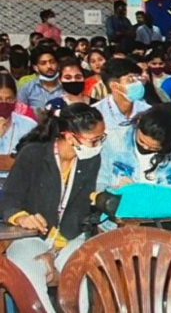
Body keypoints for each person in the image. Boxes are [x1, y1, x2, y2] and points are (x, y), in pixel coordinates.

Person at [96, 104, 171, 313]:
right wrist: (117, 189)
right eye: (141, 141)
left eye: (153, 148)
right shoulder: (113, 140)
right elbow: (98, 187)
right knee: (144, 264)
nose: (145, 147)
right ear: (137, 126)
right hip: (124, 222)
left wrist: (166, 197)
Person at [0, 104, 105, 313]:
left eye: (101, 138)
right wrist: (21, 218)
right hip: (30, 236)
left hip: (69, 235)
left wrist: (55, 250)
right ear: (69, 137)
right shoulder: (33, 154)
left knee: (77, 270)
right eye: (93, 140)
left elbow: (80, 208)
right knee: (32, 272)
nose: (98, 145)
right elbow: (9, 199)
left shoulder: (90, 159)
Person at [92, 58, 152, 130]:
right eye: (131, 79)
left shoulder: (147, 111)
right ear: (114, 86)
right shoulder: (95, 114)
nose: (138, 83)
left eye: (138, 77)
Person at [0, 74, 36, 159]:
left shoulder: (29, 126)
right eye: (0, 99)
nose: (4, 103)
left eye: (9, 99)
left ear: (15, 99)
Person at [17, 46, 62, 113]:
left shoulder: (66, 86)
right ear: (35, 67)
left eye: (52, 62)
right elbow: (20, 114)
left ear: (57, 64)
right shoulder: (27, 89)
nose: (49, 66)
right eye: (43, 63)